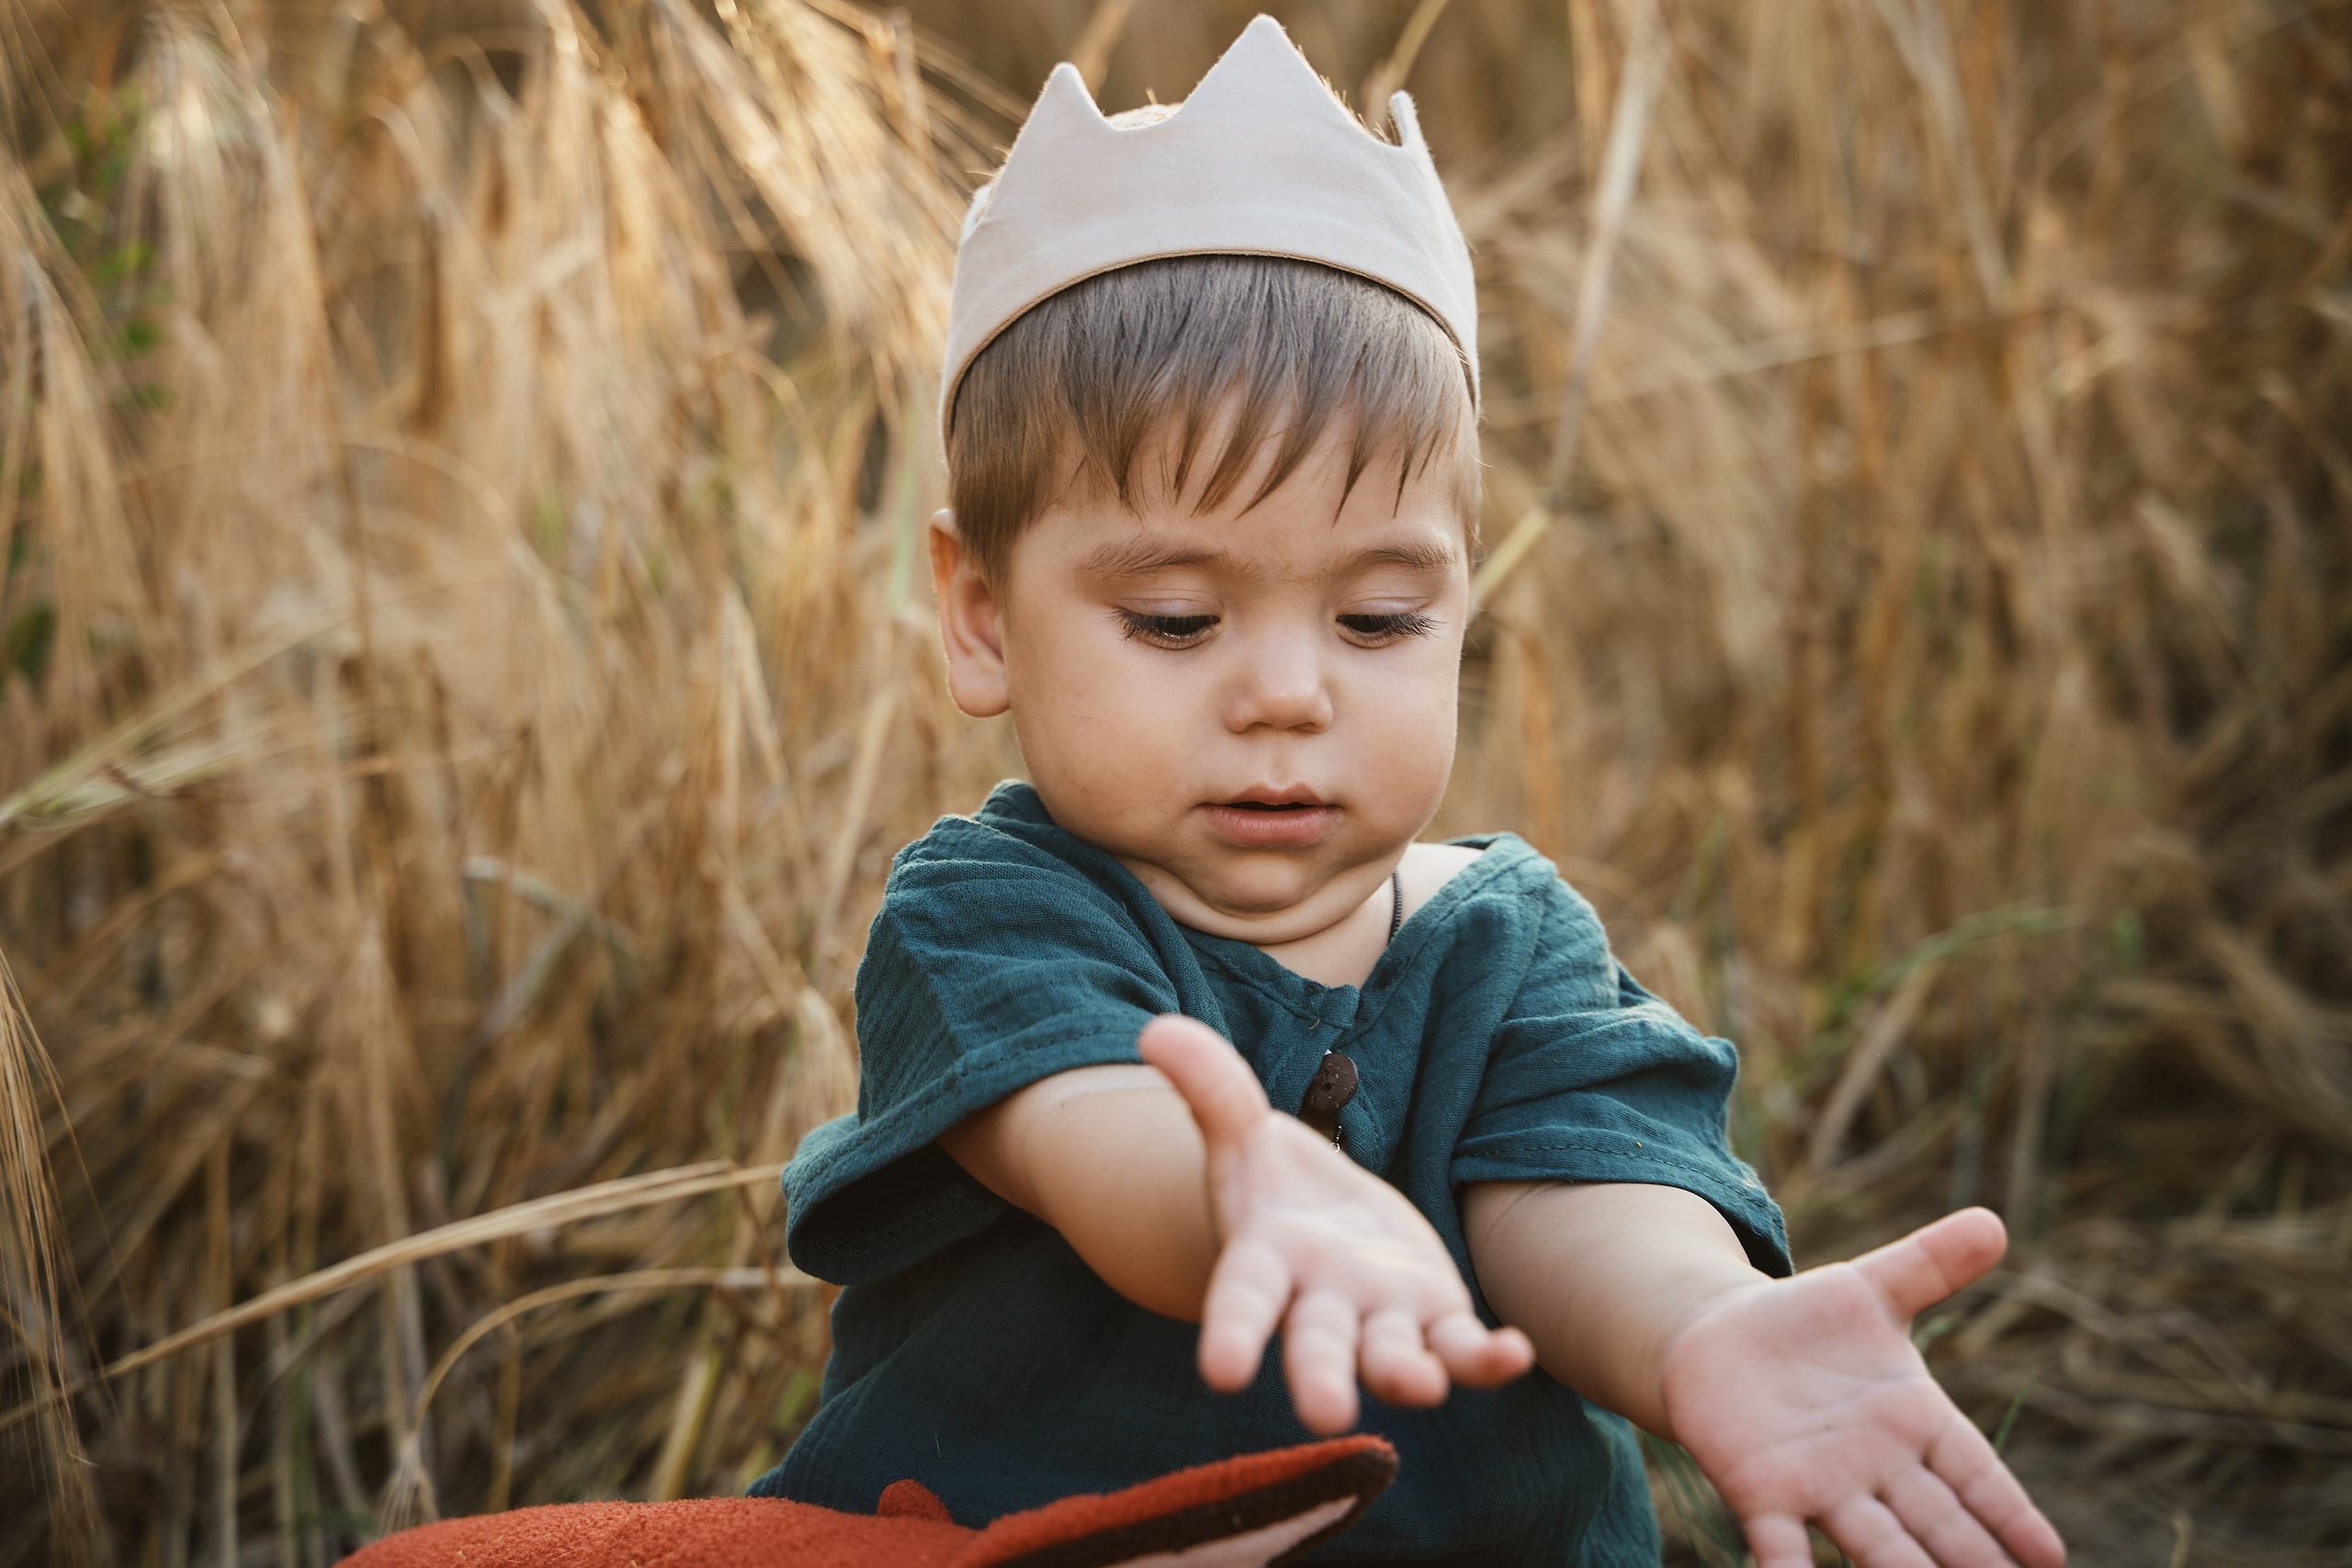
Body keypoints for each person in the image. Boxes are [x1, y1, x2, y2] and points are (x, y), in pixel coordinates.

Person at [749, 17, 2067, 1567]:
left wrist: (1704, 1323)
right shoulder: (988, 917)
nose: (1291, 693)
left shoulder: (1506, 945)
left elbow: (1571, 1206)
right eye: (1177, 619)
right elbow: (1097, 1138)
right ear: (981, 618)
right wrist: (1247, 1203)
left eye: (1379, 619)